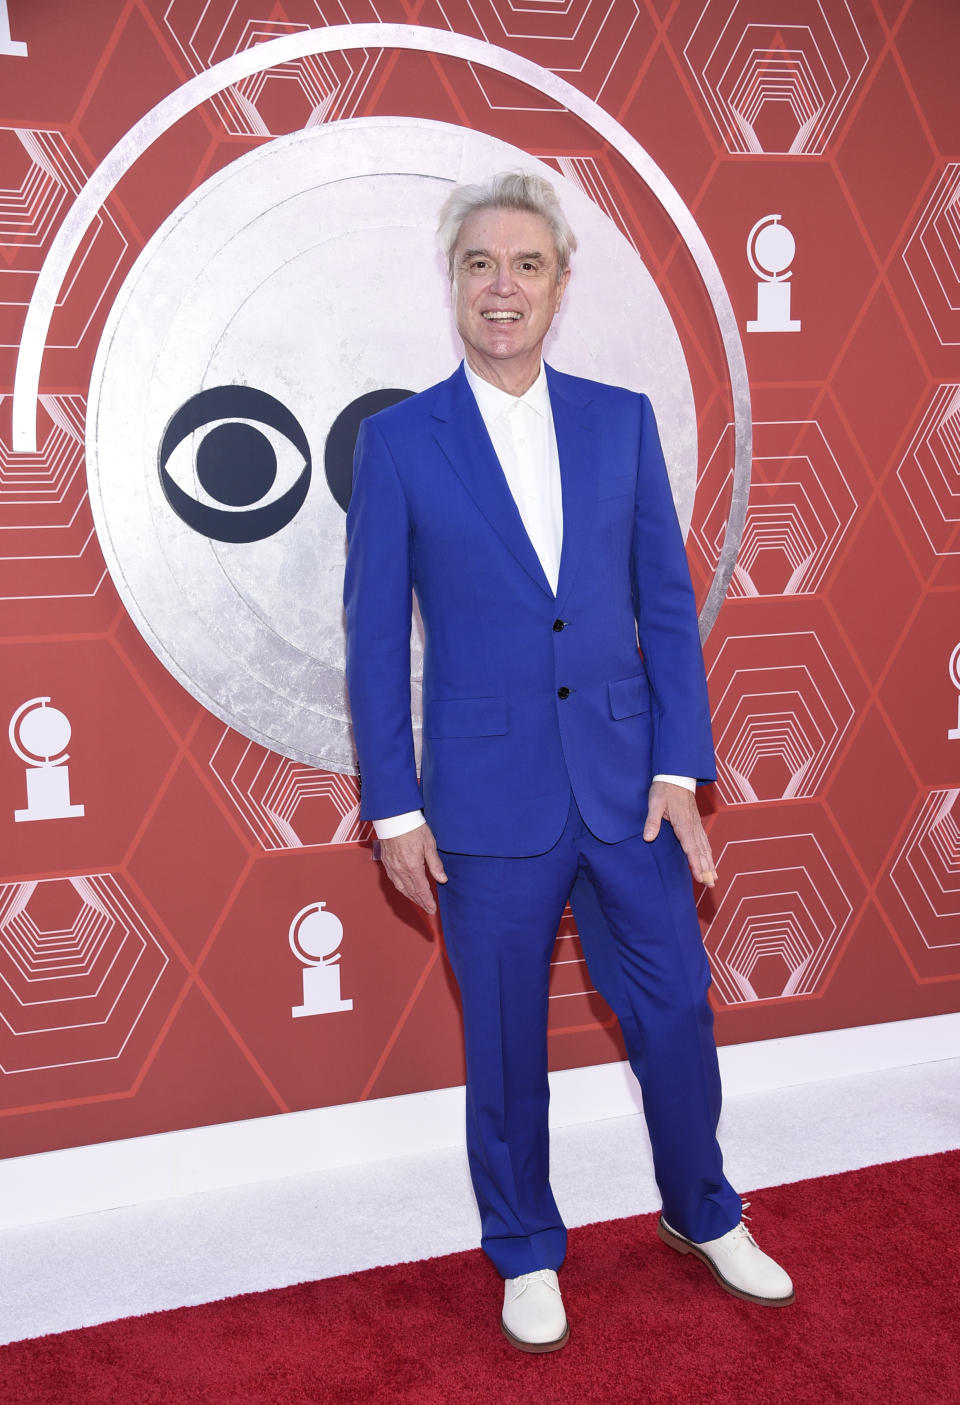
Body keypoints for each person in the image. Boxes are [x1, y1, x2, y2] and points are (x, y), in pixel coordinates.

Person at [343, 171, 793, 1353]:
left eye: (527, 265)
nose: (504, 288)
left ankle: (704, 1211)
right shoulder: (398, 443)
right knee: (502, 1042)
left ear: (558, 283)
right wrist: (392, 804)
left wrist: (679, 767)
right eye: (482, 265)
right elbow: (375, 633)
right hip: (484, 801)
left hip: (626, 782)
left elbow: (666, 604)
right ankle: (526, 1248)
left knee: (677, 1011)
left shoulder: (620, 418)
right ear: (454, 283)